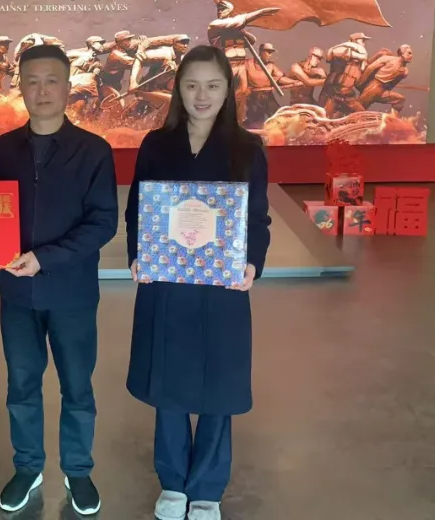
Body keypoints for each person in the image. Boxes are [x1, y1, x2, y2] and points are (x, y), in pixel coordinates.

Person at [0, 44, 118, 515]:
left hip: (72, 293)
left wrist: (45, 258)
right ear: (20, 86)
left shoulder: (93, 151)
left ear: (67, 86)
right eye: (32, 81)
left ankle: (78, 471)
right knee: (21, 384)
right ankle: (28, 467)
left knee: (77, 386)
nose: (41, 91)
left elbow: (103, 223)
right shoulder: (5, 150)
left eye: (51, 80)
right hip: (18, 294)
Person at [124, 44, 272, 520]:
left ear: (228, 90)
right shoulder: (156, 145)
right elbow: (137, 209)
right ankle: (172, 482)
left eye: (212, 85)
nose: (201, 95)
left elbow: (258, 217)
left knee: (218, 386)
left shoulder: (247, 149)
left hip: (220, 285)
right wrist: (138, 255)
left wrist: (252, 263)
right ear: (178, 90)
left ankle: (207, 487)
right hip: (167, 281)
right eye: (191, 85)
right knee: (169, 381)